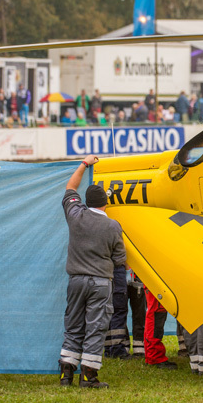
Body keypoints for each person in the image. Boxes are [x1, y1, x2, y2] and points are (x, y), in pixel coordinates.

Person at [59, 155, 126, 388]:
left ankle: (66, 375)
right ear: (105, 203)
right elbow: (120, 260)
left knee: (73, 325)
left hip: (75, 280)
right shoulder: (113, 226)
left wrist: (84, 164)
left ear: (85, 201)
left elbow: (70, 187)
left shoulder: (75, 215)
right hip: (100, 283)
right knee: (95, 327)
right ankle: (89, 377)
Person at [105, 266, 146, 359]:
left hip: (135, 273)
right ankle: (119, 346)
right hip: (118, 273)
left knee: (138, 312)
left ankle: (137, 347)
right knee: (118, 312)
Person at [144, 280, 177, 369]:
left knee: (154, 316)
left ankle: (151, 355)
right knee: (156, 316)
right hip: (156, 282)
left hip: (154, 281)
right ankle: (155, 357)